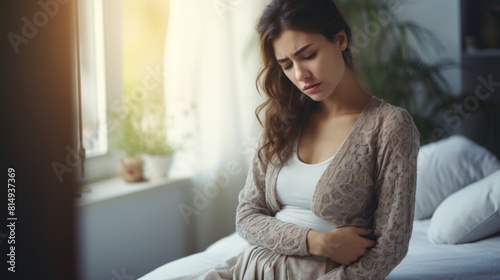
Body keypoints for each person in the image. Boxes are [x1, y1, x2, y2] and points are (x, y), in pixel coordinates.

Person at [172, 0, 419, 279]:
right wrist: (318, 242)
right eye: (286, 65)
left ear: (340, 39)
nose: (300, 75)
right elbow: (247, 217)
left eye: (308, 55)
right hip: (251, 266)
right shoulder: (283, 121)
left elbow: (391, 246)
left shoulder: (390, 126)